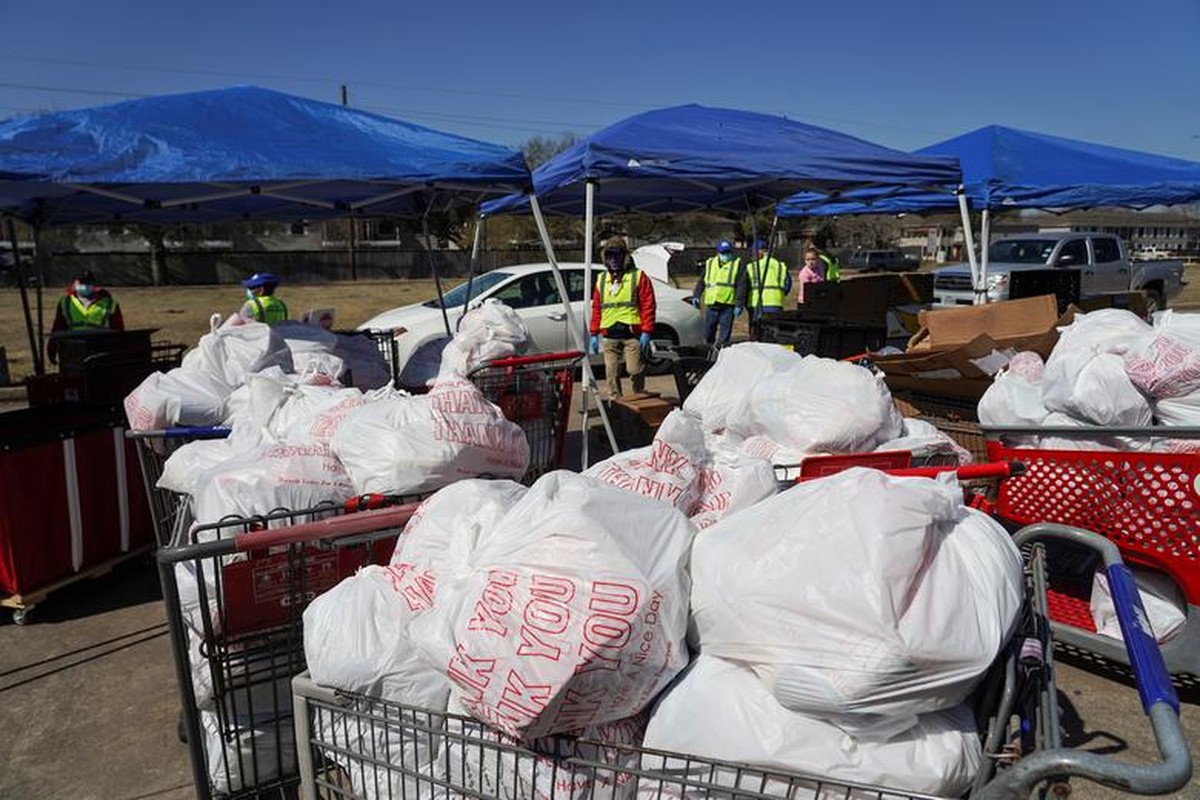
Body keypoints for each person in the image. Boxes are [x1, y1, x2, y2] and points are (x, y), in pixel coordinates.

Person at [589, 238, 656, 398]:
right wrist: (593, 333)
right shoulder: (602, 279)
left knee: (634, 369)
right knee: (611, 374)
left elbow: (648, 305)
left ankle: (639, 396)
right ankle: (616, 404)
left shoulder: (638, 276)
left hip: (632, 334)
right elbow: (597, 307)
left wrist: (646, 331)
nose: (613, 259)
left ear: (624, 256)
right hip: (609, 336)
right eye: (609, 255)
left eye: (617, 255)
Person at [47, 270, 125, 365]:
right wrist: (52, 348)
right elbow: (58, 328)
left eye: (88, 283)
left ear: (93, 284)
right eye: (81, 282)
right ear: (75, 283)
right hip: (73, 350)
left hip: (100, 349)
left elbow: (118, 330)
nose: (84, 286)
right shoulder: (65, 302)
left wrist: (119, 352)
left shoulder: (109, 302)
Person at [690, 239, 747, 348]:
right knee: (708, 333)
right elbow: (702, 281)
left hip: (728, 306)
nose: (726, 255)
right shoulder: (710, 263)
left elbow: (742, 285)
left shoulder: (737, 264)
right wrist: (696, 295)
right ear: (718, 253)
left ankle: (721, 354)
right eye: (723, 253)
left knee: (724, 337)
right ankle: (708, 351)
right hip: (712, 305)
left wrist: (739, 304)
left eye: (728, 252)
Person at [745, 239, 792, 341]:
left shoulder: (751, 267)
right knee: (772, 335)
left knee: (756, 335)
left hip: (755, 305)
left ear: (759, 251)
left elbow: (745, 286)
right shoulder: (780, 266)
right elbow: (787, 284)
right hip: (775, 304)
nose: (752, 255)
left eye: (753, 252)